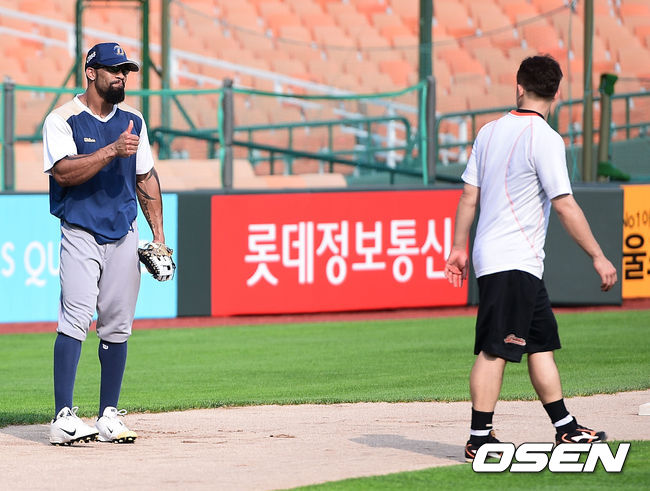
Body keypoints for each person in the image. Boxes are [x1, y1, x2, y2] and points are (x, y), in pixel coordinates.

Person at [443, 55, 618, 462]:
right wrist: (598, 255)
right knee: (495, 349)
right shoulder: (546, 138)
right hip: (513, 260)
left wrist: (458, 247)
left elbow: (469, 195)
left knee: (540, 345)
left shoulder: (488, 131)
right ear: (557, 94)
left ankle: (565, 428)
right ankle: (478, 438)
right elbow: (564, 204)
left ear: (519, 87)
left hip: (509, 260)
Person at [43, 42, 168, 445]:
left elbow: (145, 177)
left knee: (117, 324)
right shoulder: (63, 119)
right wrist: (112, 151)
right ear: (91, 72)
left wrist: (159, 236)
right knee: (75, 319)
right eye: (114, 70)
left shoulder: (133, 120)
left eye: (125, 71)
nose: (121, 77)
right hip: (80, 230)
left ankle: (108, 416)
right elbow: (63, 173)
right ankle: (63, 417)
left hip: (124, 232)